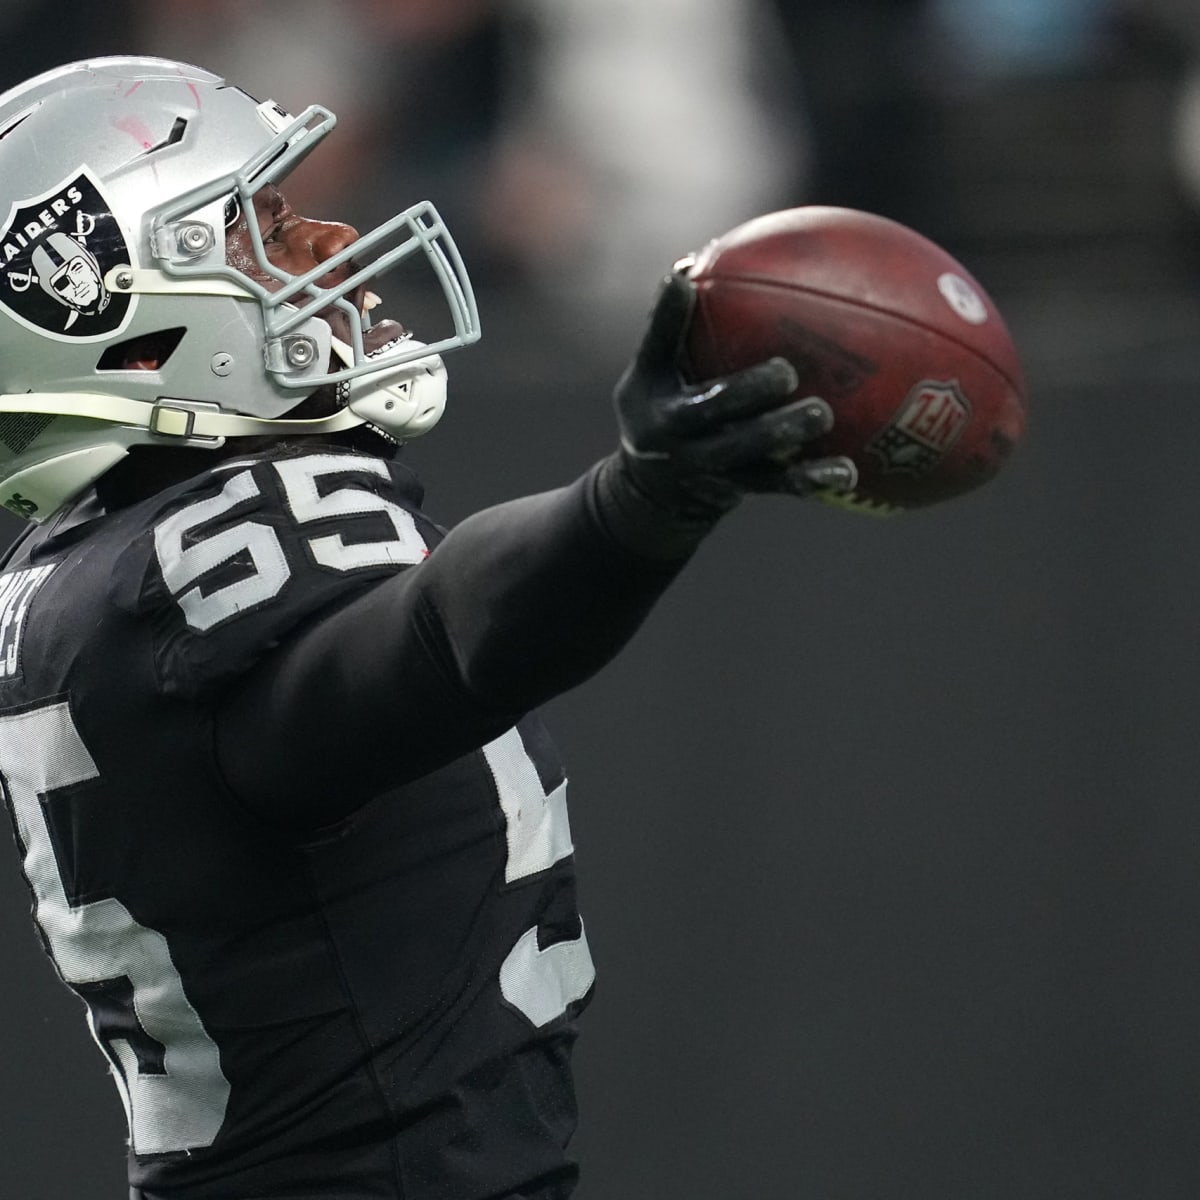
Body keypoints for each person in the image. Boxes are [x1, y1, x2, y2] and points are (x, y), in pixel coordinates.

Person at [0, 57, 854, 1200]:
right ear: (124, 315)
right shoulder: (216, 550)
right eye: (258, 225)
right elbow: (419, 655)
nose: (325, 240)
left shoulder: (86, 569)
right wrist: (638, 502)